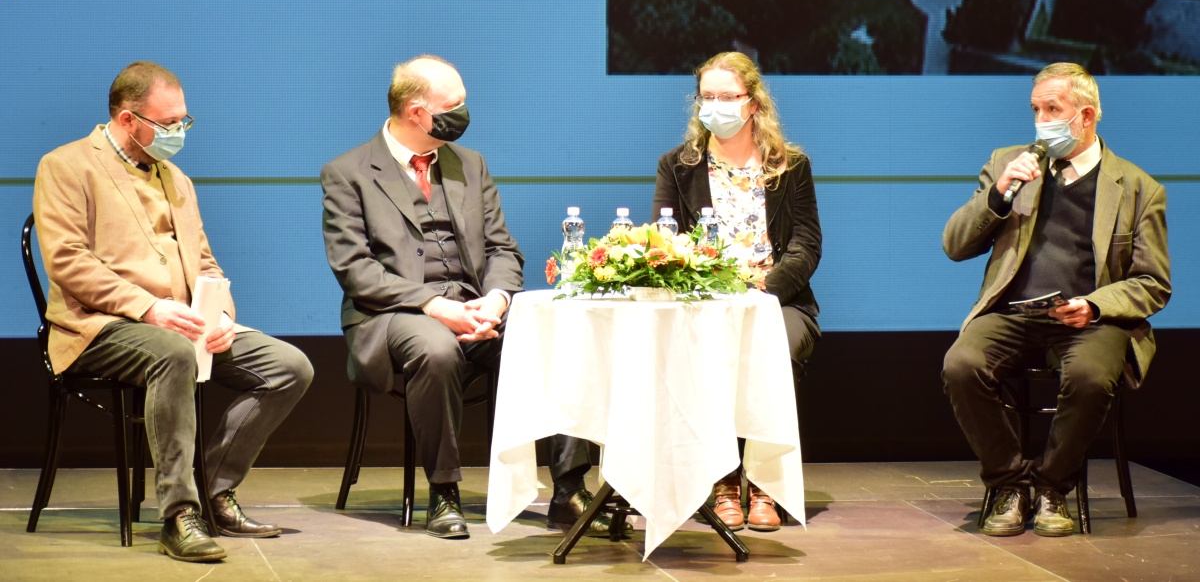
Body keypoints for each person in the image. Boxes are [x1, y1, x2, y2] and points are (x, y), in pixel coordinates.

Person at [321, 55, 612, 540]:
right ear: (416, 112)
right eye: (453, 105)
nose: (463, 112)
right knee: (434, 349)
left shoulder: (469, 165)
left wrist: (497, 299)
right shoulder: (347, 172)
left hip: (475, 304)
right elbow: (356, 271)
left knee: (557, 333)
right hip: (392, 314)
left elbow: (502, 247)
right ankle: (444, 492)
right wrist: (434, 306)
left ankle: (568, 492)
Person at [32, 61, 313, 563]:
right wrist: (149, 307)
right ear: (127, 120)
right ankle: (178, 514)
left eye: (185, 121)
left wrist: (221, 313)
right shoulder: (66, 165)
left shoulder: (176, 178)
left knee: (289, 366)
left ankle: (214, 488)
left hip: (183, 321)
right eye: (168, 124)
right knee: (173, 355)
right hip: (100, 326)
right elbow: (67, 261)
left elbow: (204, 260)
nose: (179, 133)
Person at [942, 62, 1170, 538]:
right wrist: (1001, 191)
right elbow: (955, 244)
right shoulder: (1010, 161)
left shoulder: (1139, 188)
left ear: (1085, 117)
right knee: (961, 365)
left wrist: (1095, 304)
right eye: (1036, 110)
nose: (1041, 121)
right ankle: (1009, 483)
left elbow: (1153, 282)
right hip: (1015, 313)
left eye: (1053, 109)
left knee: (1089, 377)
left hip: (1091, 321)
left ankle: (1052, 487)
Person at [653, 51, 822, 532]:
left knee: (779, 347)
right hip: (704, 303)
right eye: (708, 97)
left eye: (728, 97)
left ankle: (765, 483)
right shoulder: (678, 166)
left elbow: (807, 244)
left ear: (752, 103)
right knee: (708, 354)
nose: (716, 106)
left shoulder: (790, 165)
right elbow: (666, 241)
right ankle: (723, 482)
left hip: (778, 301)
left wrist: (765, 288)